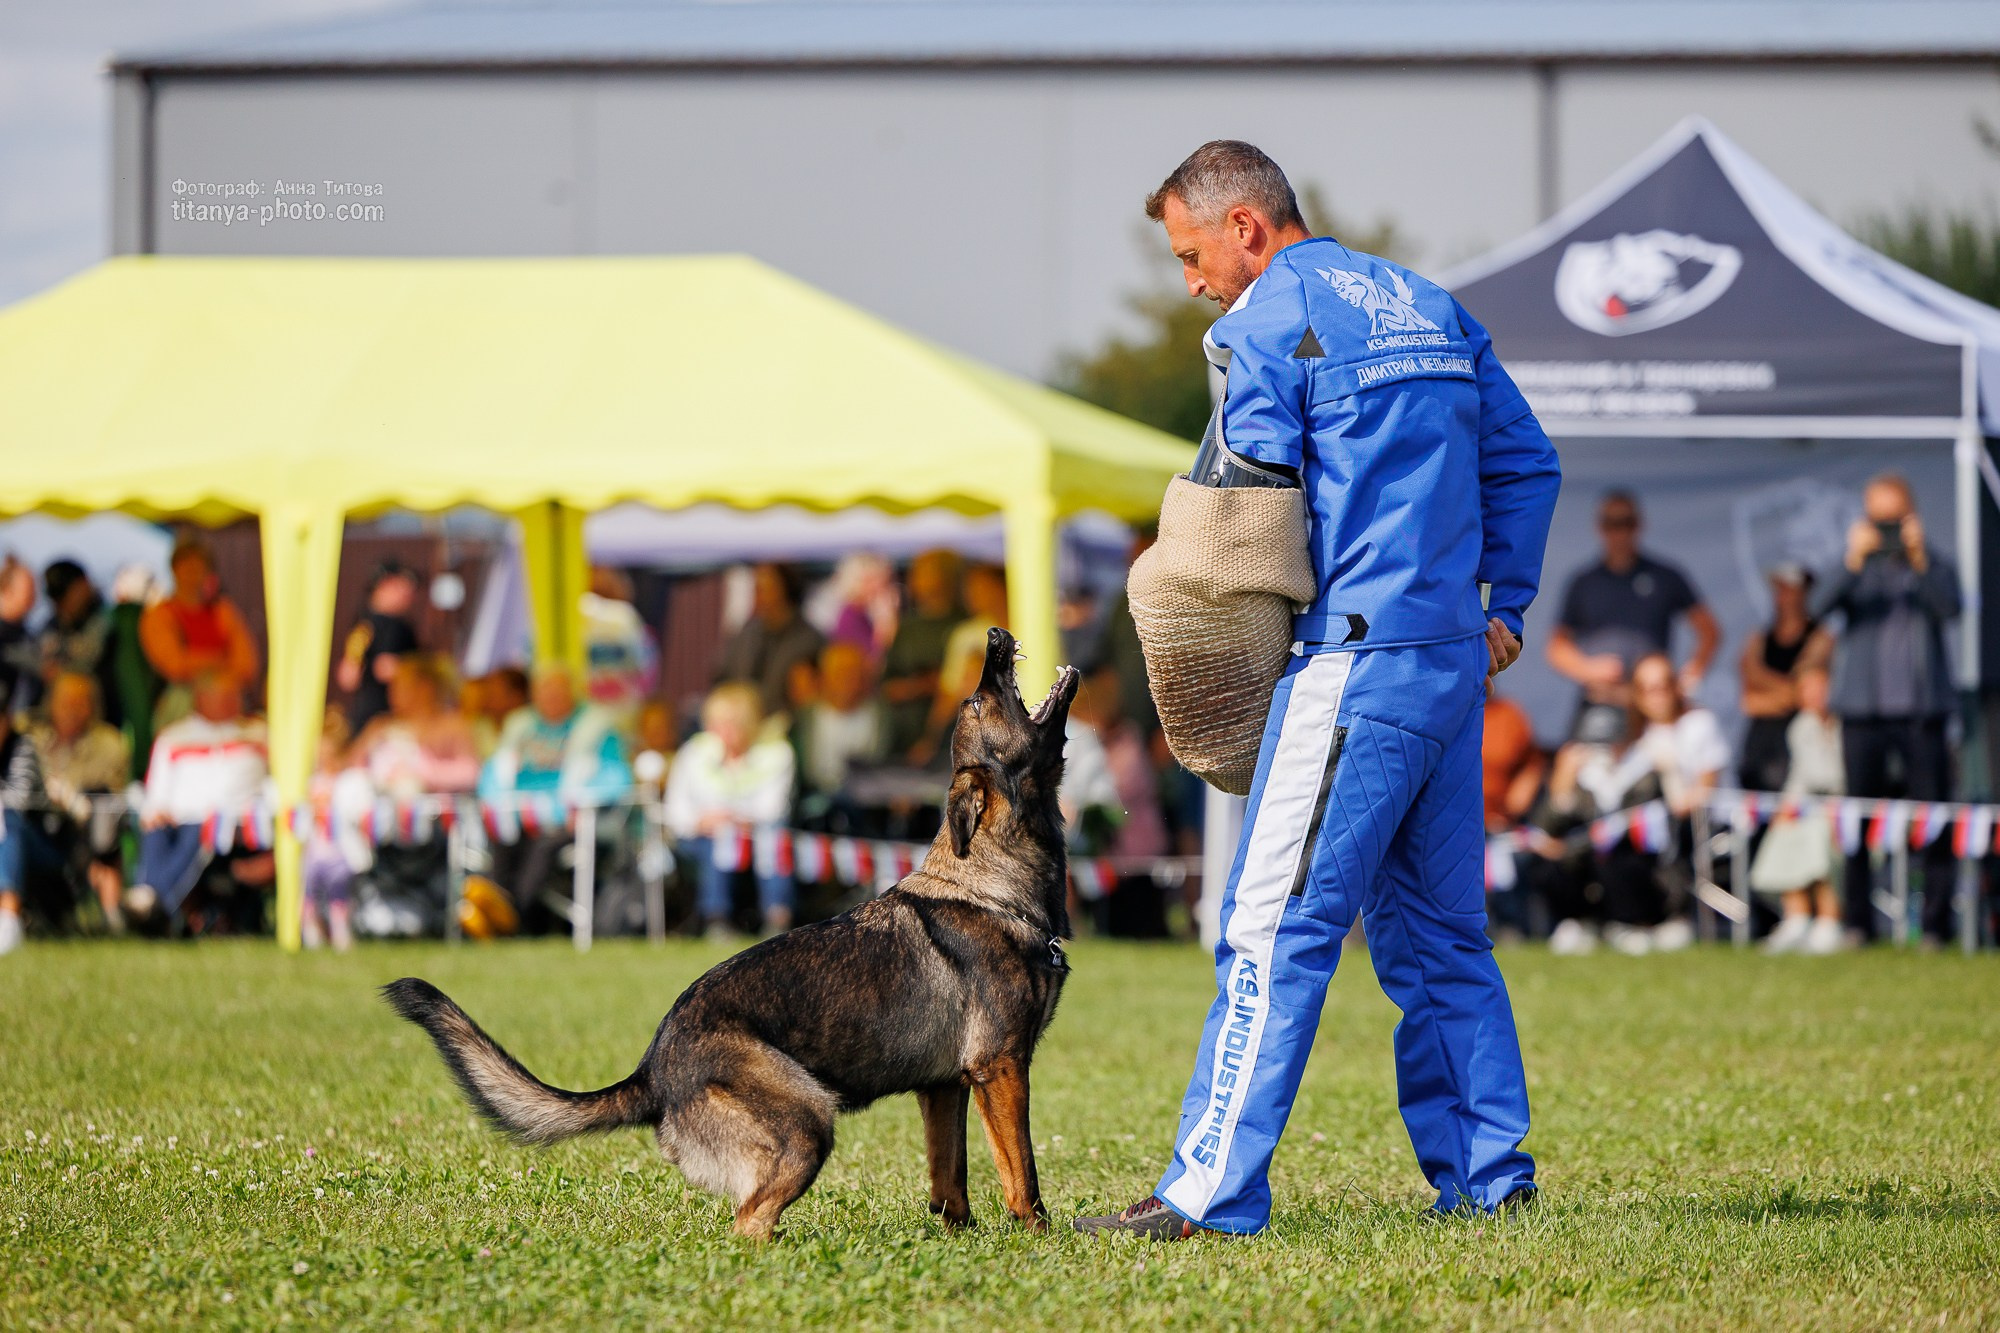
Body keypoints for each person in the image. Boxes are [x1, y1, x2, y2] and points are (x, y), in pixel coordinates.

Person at [1077, 141, 1560, 1239]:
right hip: (1449, 660)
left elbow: (1248, 503)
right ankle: (1489, 1182)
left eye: (1191, 254)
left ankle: (1205, 1194)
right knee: (1441, 940)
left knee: (1267, 928)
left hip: (1348, 664)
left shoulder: (1264, 324)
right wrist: (1504, 603)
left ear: (1245, 227)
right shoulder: (1429, 304)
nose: (1191, 282)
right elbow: (1526, 462)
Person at [1815, 473, 1963, 946]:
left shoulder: (1931, 564)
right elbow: (1816, 606)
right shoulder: (1857, 568)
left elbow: (1952, 608)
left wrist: (1920, 559)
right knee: (1857, 822)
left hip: (1922, 713)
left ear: (1911, 516)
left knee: (1934, 819)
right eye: (1878, 520)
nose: (1887, 530)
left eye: (1894, 520)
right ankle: (1858, 923)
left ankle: (1936, 926)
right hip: (1863, 714)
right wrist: (1851, 561)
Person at [1546, 492, 1719, 736]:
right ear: (1600, 528)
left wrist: (1686, 682)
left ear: (1639, 525)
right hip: (1601, 701)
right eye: (1611, 524)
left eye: (1627, 523)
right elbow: (1557, 646)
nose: (1620, 532)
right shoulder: (1583, 582)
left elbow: (1709, 630)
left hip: (1652, 704)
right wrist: (1588, 669)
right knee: (1578, 758)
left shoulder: (1665, 576)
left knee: (1665, 757)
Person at [473, 662, 632, 927]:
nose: (551, 698)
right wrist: (498, 804)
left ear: (573, 693)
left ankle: (514, 914)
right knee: (502, 838)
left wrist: (581, 804)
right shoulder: (520, 726)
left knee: (543, 846)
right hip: (521, 814)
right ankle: (497, 907)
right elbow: (492, 775)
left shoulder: (595, 727)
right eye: (545, 692)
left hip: (569, 819)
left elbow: (617, 778)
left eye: (558, 692)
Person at [128, 672, 274, 925]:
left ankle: (151, 906)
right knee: (154, 828)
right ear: (201, 699)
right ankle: (154, 903)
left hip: (232, 822)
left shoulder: (258, 735)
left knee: (201, 829)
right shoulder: (173, 738)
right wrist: (156, 810)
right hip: (176, 819)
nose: (233, 702)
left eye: (234, 696)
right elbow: (156, 792)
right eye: (223, 697)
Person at [663, 682, 797, 937]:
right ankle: (717, 920)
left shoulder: (777, 753)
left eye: (732, 724)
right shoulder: (694, 753)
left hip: (756, 836)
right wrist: (702, 822)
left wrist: (730, 819)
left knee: (773, 839)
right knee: (721, 840)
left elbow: (773, 809)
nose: (724, 732)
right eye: (717, 724)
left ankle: (777, 919)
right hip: (699, 837)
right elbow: (675, 811)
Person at [1630, 651, 1729, 953]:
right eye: (1648, 690)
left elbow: (1708, 786)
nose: (1657, 697)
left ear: (1675, 688)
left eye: (1662, 687)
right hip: (1663, 819)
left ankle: (1680, 917)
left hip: (1710, 820)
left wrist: (1673, 806)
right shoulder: (1643, 735)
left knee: (1673, 834)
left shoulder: (1700, 723)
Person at [28, 672, 132, 933]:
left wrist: (66, 795)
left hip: (86, 833)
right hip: (37, 831)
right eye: (65, 701)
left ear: (93, 707)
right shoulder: (32, 738)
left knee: (103, 833)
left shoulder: (109, 743)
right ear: (50, 704)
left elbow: (107, 797)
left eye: (80, 702)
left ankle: (111, 915)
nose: (72, 710)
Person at [1751, 666, 1845, 955]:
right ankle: (1797, 917)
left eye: (1820, 688)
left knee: (1819, 834)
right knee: (1784, 832)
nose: (1815, 696)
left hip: (1845, 808)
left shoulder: (1848, 725)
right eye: (1807, 690)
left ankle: (1830, 920)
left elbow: (1841, 777)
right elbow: (1799, 776)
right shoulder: (1801, 727)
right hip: (1811, 805)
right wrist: (1786, 807)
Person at [139, 538, 258, 728]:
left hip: (226, 695)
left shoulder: (223, 610)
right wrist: (220, 660)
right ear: (174, 570)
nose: (192, 573)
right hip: (183, 701)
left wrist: (208, 668)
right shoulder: (160, 615)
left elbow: (247, 664)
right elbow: (175, 665)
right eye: (186, 566)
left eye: (199, 567)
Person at [1737, 564, 1832, 792]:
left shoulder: (1820, 637)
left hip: (1800, 736)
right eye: (1779, 589)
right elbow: (1749, 700)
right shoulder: (1760, 638)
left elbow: (1806, 694)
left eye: (1790, 589)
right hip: (1761, 740)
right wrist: (1789, 691)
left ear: (1805, 592)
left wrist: (1765, 684)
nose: (1783, 596)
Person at [912, 562, 1008, 765]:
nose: (974, 596)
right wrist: (931, 739)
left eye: (983, 588)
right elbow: (949, 693)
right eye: (970, 589)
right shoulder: (966, 635)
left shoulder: (1035, 628)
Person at [878, 549, 963, 756]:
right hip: (906, 732)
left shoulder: (964, 624)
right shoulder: (907, 628)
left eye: (924, 573)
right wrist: (920, 686)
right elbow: (887, 686)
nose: (915, 580)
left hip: (955, 733)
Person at [714, 563, 825, 720]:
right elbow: (722, 678)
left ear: (784, 589)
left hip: (788, 724)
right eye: (755, 589)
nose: (757, 596)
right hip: (741, 723)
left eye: (763, 589)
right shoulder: (746, 635)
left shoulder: (810, 641)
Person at [793, 641, 887, 806]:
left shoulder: (883, 717)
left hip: (870, 805)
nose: (846, 681)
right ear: (823, 677)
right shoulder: (803, 719)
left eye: (854, 674)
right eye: (839, 673)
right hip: (814, 803)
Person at [336, 561, 422, 734]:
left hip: (374, 714)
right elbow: (377, 669)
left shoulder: (367, 624)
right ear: (384, 585)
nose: (409, 594)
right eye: (401, 586)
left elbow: (348, 676)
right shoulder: (381, 626)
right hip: (382, 715)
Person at [0, 683, 51, 955]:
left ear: (6, 720)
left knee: (8, 821)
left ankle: (9, 919)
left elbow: (17, 802)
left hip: (39, 843)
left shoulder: (22, 747)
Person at [582, 566, 658, 734]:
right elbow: (645, 670)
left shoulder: (626, 619)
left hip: (618, 713)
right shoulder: (627, 618)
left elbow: (644, 669)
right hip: (611, 712)